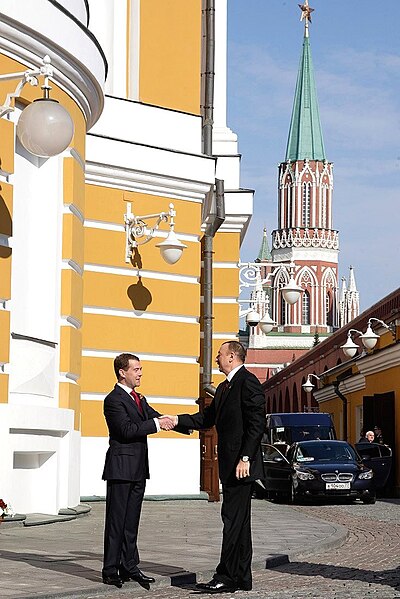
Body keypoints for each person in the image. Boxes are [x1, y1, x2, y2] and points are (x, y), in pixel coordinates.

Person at [171, 341, 265, 593]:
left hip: (241, 466)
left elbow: (257, 424)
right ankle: (242, 578)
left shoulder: (248, 381)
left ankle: (225, 576)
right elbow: (206, 419)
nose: (216, 359)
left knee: (232, 520)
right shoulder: (224, 387)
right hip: (231, 466)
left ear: (232, 357)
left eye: (220, 355)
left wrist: (245, 458)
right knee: (240, 523)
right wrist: (176, 420)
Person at [101, 353, 176, 588]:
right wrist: (157, 424)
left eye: (141, 369)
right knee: (116, 521)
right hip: (121, 468)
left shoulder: (138, 398)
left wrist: (180, 422)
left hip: (138, 469)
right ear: (122, 372)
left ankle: (129, 566)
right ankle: (110, 569)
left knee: (131, 521)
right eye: (136, 369)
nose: (140, 373)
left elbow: (154, 416)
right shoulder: (113, 400)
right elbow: (126, 429)